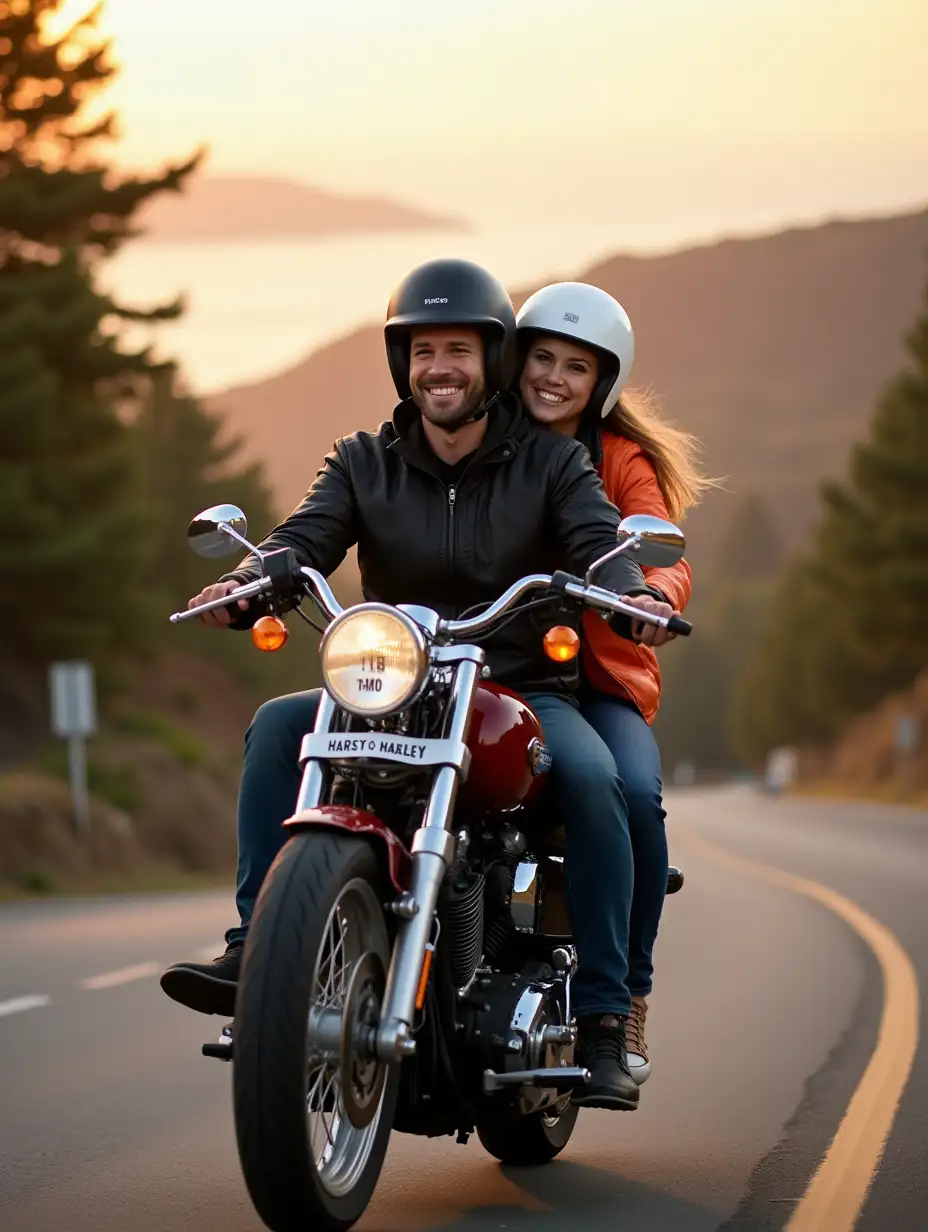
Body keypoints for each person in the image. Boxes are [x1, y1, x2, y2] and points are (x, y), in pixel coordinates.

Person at [160, 257, 682, 1111]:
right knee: (276, 729)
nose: (439, 367)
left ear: (491, 361)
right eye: (422, 350)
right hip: (388, 683)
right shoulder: (363, 461)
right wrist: (253, 580)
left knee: (597, 780)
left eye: (459, 350)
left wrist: (629, 592)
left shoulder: (551, 465)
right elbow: (305, 537)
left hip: (518, 689)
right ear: (402, 361)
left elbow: (597, 538)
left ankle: (602, 1014)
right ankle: (257, 945)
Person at [515, 280, 712, 1085]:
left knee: (630, 791)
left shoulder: (619, 460)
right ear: (515, 360)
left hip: (601, 677)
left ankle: (626, 992)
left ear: (604, 385)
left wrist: (651, 597)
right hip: (500, 665)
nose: (554, 378)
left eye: (576, 367)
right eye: (541, 358)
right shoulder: (486, 440)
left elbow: (669, 557)